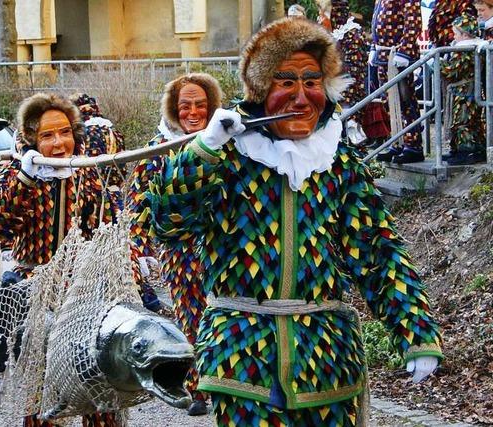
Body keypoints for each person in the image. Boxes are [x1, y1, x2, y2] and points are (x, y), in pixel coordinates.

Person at [146, 17, 443, 426]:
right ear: (261, 89)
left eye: (312, 82)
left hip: (326, 357)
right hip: (241, 356)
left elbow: (376, 249)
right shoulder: (228, 156)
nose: (301, 98)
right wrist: (203, 151)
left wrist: (416, 332)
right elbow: (168, 223)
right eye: (285, 82)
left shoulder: (338, 161)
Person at [0, 92, 121, 427]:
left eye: (64, 132)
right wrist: (26, 177)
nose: (59, 143)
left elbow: (107, 231)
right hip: (37, 296)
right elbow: (2, 222)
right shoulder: (15, 176)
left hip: (85, 295)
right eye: (47, 135)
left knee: (97, 382)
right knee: (43, 390)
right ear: (32, 139)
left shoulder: (89, 173)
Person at [129, 73, 222, 416]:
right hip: (179, 249)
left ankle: (228, 381)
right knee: (191, 315)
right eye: (186, 106)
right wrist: (139, 250)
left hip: (221, 246)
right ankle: (197, 388)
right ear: (174, 109)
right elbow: (138, 204)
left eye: (201, 104)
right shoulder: (158, 148)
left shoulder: (225, 141)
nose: (193, 112)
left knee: (226, 312)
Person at [371, 0, 425, 163]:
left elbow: (413, 22)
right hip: (384, 56)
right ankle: (397, 141)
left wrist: (405, 50)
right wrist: (374, 48)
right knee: (389, 102)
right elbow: (376, 24)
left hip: (399, 56)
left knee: (405, 101)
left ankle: (413, 145)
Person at [318, 0, 368, 145]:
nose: (320, 18)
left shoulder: (353, 34)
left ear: (335, 14)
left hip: (346, 100)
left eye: (323, 13)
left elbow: (354, 73)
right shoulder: (327, 33)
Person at [440, 15, 488, 165]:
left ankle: (466, 151)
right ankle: (463, 149)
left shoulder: (465, 50)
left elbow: (452, 70)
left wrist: (436, 63)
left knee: (462, 121)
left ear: (465, 35)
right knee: (469, 121)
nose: (453, 36)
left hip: (464, 92)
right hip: (467, 90)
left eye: (455, 33)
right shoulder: (473, 47)